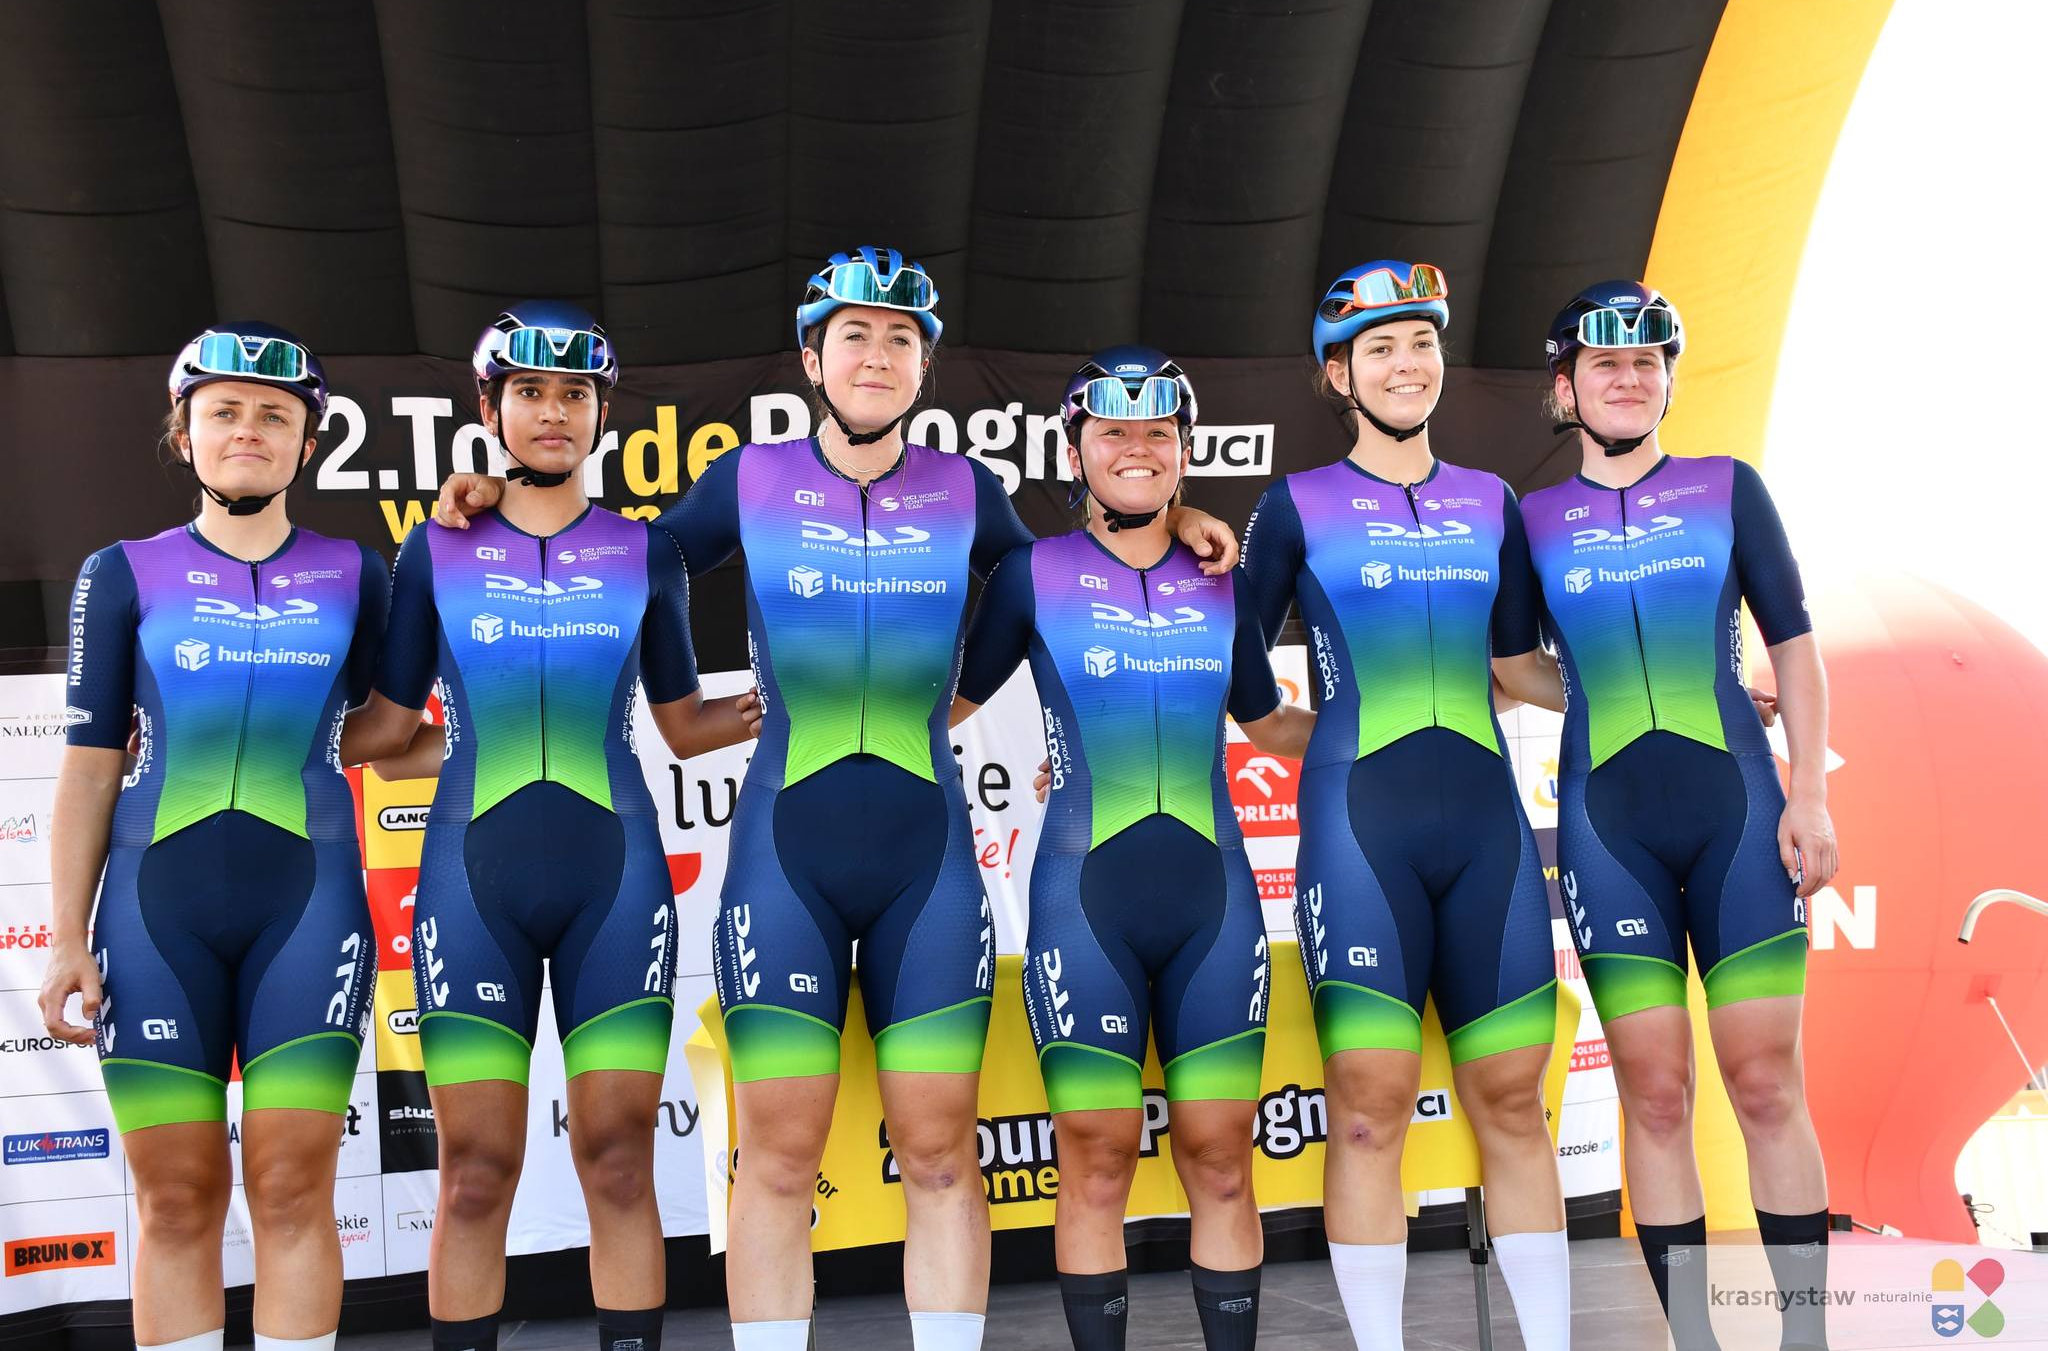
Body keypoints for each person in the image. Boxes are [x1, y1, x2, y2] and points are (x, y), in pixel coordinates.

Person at [431, 247, 1242, 1351]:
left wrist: (1180, 518)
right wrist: (495, 495)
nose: (876, 355)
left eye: (900, 338)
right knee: (776, 1160)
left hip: (928, 866)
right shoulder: (748, 479)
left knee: (942, 1157)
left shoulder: (967, 490)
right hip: (784, 862)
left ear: (924, 367)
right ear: (812, 359)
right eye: (853, 334)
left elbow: (1079, 569)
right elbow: (616, 552)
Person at [341, 301, 759, 1351]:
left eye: (575, 393)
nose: (553, 411)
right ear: (490, 409)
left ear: (602, 414)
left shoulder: (644, 552)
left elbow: (683, 724)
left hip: (612, 881)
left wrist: (787, 700)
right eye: (529, 391)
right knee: (476, 1172)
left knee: (618, 1160)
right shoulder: (433, 548)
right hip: (470, 882)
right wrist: (245, 728)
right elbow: (385, 734)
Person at [952, 345, 1313, 1350]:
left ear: (1185, 451)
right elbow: (946, 709)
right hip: (1083, 900)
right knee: (1095, 1156)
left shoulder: (1224, 578)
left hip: (1215, 901)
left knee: (1222, 1159)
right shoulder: (1029, 576)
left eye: (1159, 431)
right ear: (1077, 450)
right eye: (1113, 431)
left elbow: (1268, 723)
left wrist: (1393, 726)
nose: (1137, 448)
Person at [1240, 262, 1569, 1351]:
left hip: (1488, 833)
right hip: (1359, 834)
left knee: (1513, 1103)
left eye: (1419, 341)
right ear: (1339, 375)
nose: (1404, 363)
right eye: (1377, 347)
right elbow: (1236, 682)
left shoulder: (1493, 501)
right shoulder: (1293, 506)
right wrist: (1325, 738)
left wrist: (1673, 690)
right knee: (1369, 1108)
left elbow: (1517, 668)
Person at [39, 324, 388, 1351]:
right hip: (155, 915)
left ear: (307, 445)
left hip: (309, 907)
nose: (249, 430)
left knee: (291, 1187)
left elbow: (388, 729)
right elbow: (91, 766)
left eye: (275, 415)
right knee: (177, 1195)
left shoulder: (358, 572)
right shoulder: (121, 573)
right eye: (224, 411)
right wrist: (65, 938)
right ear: (182, 433)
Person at [1521, 282, 1837, 1351]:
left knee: (1764, 1082)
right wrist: (1597, 687)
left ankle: (1805, 1339)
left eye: (1646, 362)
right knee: (1654, 1096)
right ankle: (1691, 1340)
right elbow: (1511, 662)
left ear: (1666, 380)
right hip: (1608, 831)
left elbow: (1793, 642)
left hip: (1739, 812)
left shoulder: (1726, 487)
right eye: (1604, 364)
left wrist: (1809, 792)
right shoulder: (1531, 521)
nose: (1628, 379)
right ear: (1565, 386)